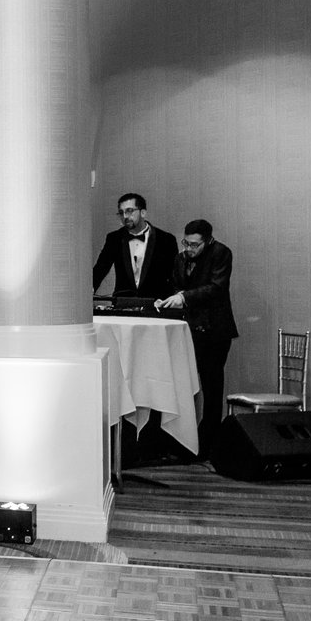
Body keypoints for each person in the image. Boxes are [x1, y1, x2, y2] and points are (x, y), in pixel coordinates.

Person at [157, 220, 238, 459]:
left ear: (208, 241)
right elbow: (176, 284)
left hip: (215, 331)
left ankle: (209, 443)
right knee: (185, 384)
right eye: (186, 243)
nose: (189, 249)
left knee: (212, 386)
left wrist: (184, 297)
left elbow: (217, 287)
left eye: (194, 245)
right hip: (189, 330)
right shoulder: (181, 258)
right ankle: (183, 440)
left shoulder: (221, 253)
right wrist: (167, 299)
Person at [93, 192, 179, 300]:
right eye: (121, 212)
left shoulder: (166, 239)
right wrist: (89, 290)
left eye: (129, 211)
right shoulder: (114, 238)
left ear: (143, 213)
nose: (125, 216)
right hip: (123, 303)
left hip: (156, 304)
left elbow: (174, 276)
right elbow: (100, 268)